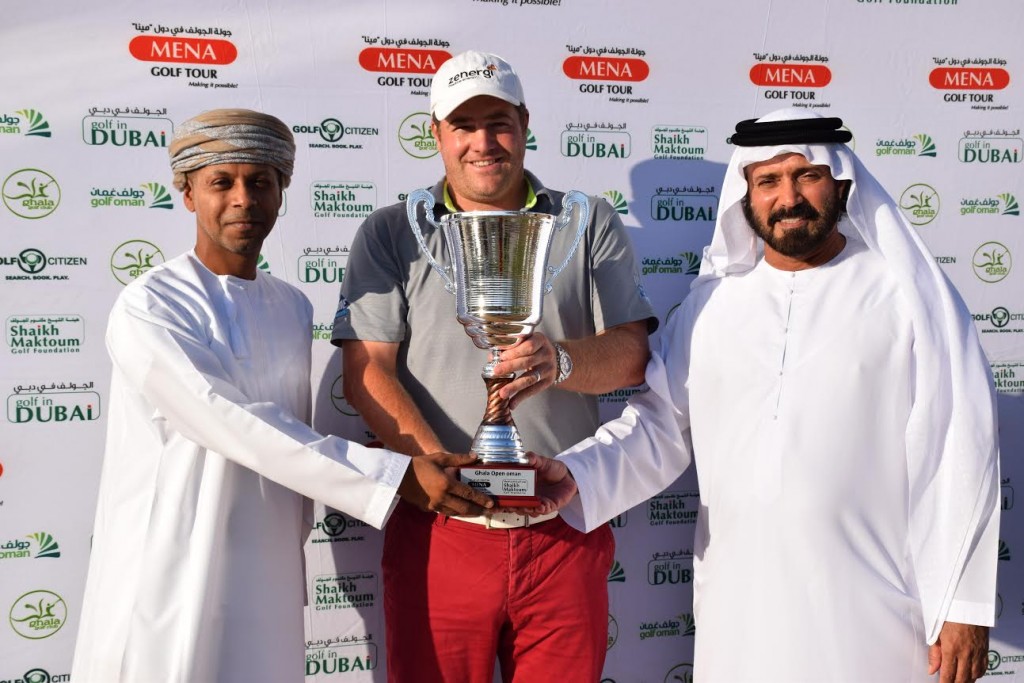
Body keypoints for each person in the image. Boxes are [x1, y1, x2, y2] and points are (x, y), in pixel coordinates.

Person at [540, 109, 1001, 683]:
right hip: (740, 611)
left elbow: (964, 446)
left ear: (839, 183)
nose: (789, 197)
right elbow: (659, 428)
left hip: (874, 610)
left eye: (806, 175)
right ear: (746, 195)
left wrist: (963, 603)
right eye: (768, 181)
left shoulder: (906, 298)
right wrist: (572, 475)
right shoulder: (711, 308)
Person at [71, 109, 491, 683]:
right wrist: (392, 476)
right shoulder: (152, 305)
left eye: (261, 182)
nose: (244, 198)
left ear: (282, 191)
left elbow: (286, 438)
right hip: (171, 565)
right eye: (222, 181)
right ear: (187, 193)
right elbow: (230, 420)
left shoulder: (292, 306)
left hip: (268, 570)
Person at [332, 51, 655, 682]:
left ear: (525, 123)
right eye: (464, 125)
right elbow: (367, 369)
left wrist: (560, 360)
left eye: (499, 122)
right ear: (436, 134)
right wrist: (438, 469)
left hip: (561, 518)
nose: (484, 143)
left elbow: (632, 354)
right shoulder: (394, 230)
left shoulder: (587, 222)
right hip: (439, 528)